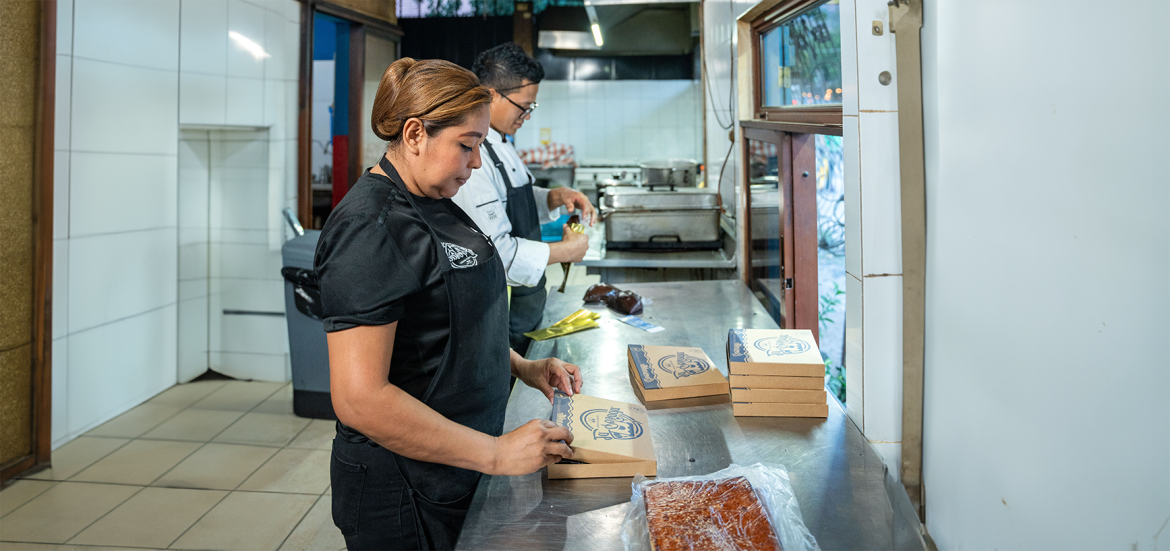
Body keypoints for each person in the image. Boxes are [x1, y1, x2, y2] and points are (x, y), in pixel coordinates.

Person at [314, 58, 585, 551]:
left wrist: (521, 367)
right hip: (404, 486)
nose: (476, 163)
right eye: (467, 145)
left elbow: (449, 326)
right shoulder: (370, 228)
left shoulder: (436, 202)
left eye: (480, 146)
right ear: (415, 134)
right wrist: (497, 453)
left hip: (455, 464)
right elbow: (359, 398)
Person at [450, 43, 596, 357]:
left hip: (525, 301)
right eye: (524, 106)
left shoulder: (502, 143)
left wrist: (555, 197)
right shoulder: (474, 156)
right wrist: (564, 251)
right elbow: (495, 253)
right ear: (492, 95)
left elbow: (513, 201)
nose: (527, 116)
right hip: (498, 307)